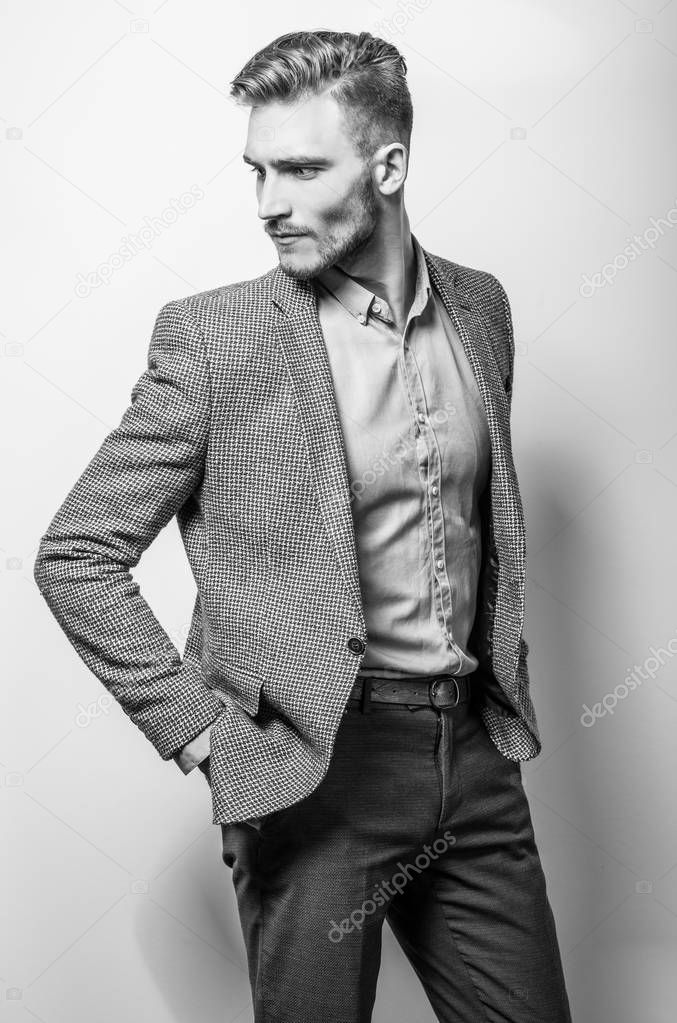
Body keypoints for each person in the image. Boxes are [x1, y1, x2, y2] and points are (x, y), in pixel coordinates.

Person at [34, 29, 573, 1023]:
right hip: (310, 776)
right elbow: (77, 555)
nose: (267, 203)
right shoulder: (212, 338)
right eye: (256, 170)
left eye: (299, 169)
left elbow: (468, 522)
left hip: (473, 760)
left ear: (388, 165)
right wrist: (200, 733)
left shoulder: (480, 310)